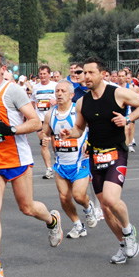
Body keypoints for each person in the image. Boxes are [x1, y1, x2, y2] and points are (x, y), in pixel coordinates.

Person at [0, 50, 63, 277]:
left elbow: (35, 122)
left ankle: (52, 220)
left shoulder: (11, 90)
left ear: (3, 69)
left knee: (27, 207)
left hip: (17, 159)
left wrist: (11, 130)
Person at [59, 57, 139, 264]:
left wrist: (128, 119)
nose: (86, 77)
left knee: (111, 199)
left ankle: (128, 231)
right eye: (84, 73)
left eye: (91, 73)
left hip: (116, 153)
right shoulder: (82, 102)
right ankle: (123, 244)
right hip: (95, 156)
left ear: (103, 74)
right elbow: (79, 128)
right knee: (106, 208)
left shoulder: (116, 93)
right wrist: (69, 133)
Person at [40, 80, 97, 239]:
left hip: (80, 161)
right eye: (57, 91)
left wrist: (88, 143)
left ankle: (88, 208)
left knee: (79, 196)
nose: (59, 94)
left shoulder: (78, 112)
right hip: (61, 163)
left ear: (72, 95)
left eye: (63, 91)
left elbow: (93, 128)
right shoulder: (50, 114)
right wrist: (44, 138)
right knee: (64, 198)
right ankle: (78, 225)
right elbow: (44, 132)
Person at [30, 65, 57, 179]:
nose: (42, 76)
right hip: (41, 119)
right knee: (44, 143)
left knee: (55, 144)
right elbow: (32, 102)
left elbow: (64, 100)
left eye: (44, 74)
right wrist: (33, 115)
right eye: (40, 74)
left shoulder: (55, 86)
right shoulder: (36, 87)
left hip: (54, 118)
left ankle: (57, 158)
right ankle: (49, 169)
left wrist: (55, 102)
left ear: (49, 74)